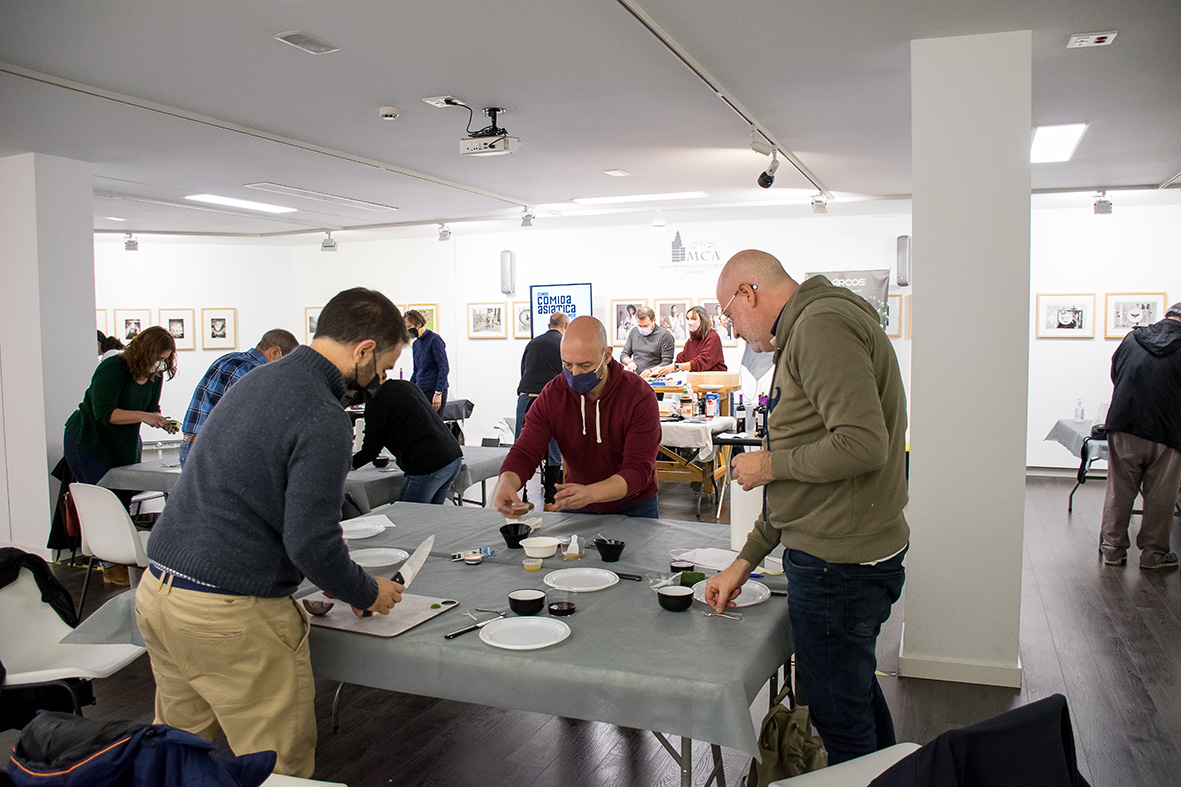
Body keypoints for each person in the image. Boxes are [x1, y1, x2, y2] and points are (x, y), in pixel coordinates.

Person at [135, 288, 407, 777]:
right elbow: (310, 542)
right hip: (228, 611)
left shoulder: (258, 378)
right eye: (384, 367)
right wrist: (365, 591)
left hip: (160, 591)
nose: (381, 380)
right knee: (277, 766)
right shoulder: (323, 414)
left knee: (175, 752)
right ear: (364, 350)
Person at [704, 249, 909, 765]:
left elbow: (863, 445)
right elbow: (809, 471)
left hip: (839, 564)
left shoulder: (819, 327)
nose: (734, 331)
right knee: (853, 694)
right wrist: (744, 562)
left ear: (748, 293)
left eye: (729, 315)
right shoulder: (814, 325)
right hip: (840, 554)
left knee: (839, 716)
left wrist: (769, 465)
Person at [493, 316, 662, 518]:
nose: (575, 374)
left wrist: (591, 493)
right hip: (577, 501)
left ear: (607, 355)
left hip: (634, 505)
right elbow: (526, 450)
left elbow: (638, 469)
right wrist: (507, 483)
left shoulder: (639, 396)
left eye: (585, 365)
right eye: (567, 365)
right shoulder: (553, 395)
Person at [1099, 301, 1181, 570]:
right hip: (1167, 429)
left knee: (1119, 491)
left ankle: (1112, 551)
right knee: (1160, 496)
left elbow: (1116, 374)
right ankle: (1153, 556)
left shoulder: (1133, 338)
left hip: (1124, 422)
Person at [64, 325, 179, 505]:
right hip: (90, 440)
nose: (159, 363)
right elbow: (104, 413)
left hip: (124, 444)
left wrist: (161, 421)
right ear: (144, 351)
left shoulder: (155, 375)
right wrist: (144, 416)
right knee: (100, 500)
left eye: (164, 359)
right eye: (157, 358)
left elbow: (151, 408)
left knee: (123, 498)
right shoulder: (113, 367)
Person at [179, 329, 299, 466]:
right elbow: (252, 420)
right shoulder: (253, 370)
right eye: (288, 360)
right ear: (275, 352)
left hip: (192, 446)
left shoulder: (230, 358)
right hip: (211, 451)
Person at [351, 379, 463, 504]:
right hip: (452, 457)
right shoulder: (403, 385)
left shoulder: (376, 402)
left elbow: (371, 450)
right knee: (431, 513)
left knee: (407, 513)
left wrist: (347, 465)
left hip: (429, 463)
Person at [515, 312, 569, 509]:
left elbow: (524, 371)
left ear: (548, 325)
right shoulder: (564, 344)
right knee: (554, 450)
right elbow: (568, 376)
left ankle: (521, 498)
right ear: (566, 325)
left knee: (522, 449)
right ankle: (549, 500)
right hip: (549, 399)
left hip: (526, 397)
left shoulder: (532, 343)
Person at [650, 305, 727, 375]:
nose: (690, 322)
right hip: (699, 381)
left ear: (703, 320)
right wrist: (653, 370)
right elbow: (680, 361)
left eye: (693, 318)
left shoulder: (713, 337)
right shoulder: (691, 341)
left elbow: (701, 362)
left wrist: (675, 367)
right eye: (688, 319)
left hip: (715, 381)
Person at [405, 309, 449, 412]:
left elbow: (444, 368)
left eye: (409, 327)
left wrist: (438, 393)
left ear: (419, 324)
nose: (407, 330)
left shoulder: (434, 340)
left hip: (434, 391)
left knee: (434, 421)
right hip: (421, 390)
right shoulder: (416, 344)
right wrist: (409, 389)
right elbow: (416, 371)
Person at [619, 305, 674, 379]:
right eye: (639, 325)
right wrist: (629, 362)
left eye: (645, 326)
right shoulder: (634, 331)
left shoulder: (665, 335)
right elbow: (624, 355)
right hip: (637, 378)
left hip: (655, 380)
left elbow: (667, 362)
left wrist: (651, 371)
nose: (642, 329)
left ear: (654, 320)